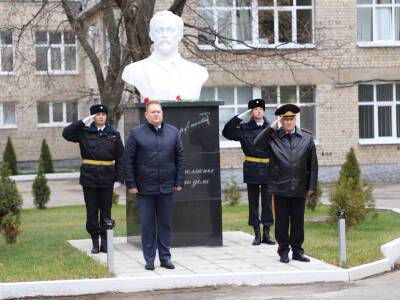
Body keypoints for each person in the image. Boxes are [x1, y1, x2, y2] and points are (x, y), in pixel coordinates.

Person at [124, 101, 184, 271]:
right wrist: (131, 184)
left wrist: (179, 181)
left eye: (159, 111)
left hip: (166, 187)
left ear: (162, 113)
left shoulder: (173, 132)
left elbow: (180, 157)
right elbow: (128, 161)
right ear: (146, 115)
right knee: (147, 224)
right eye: (153, 112)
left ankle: (165, 258)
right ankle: (149, 259)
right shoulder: (136, 134)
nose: (156, 114)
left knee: (165, 224)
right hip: (144, 188)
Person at [254, 103, 318, 264]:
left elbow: (313, 165)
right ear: (281, 121)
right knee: (282, 222)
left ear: (295, 120)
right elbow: (257, 145)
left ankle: (297, 251)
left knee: (298, 221)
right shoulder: (273, 138)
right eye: (285, 119)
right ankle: (283, 251)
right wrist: (270, 128)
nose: (289, 122)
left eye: (291, 119)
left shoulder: (307, 138)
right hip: (280, 187)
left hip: (299, 187)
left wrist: (311, 187)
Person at [62, 104, 124, 254]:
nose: (101, 116)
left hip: (107, 177)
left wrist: (119, 179)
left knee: (106, 212)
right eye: (97, 114)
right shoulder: (84, 132)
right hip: (89, 177)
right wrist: (83, 122)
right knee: (91, 211)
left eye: (103, 114)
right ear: (93, 117)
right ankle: (95, 242)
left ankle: (105, 243)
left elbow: (121, 157)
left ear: (106, 116)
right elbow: (66, 133)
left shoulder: (114, 134)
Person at [121, 10, 208, 101]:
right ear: (151, 35)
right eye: (159, 30)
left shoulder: (198, 72)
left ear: (180, 35)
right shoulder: (134, 71)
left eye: (171, 30)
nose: (165, 35)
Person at [222, 99, 275, 246]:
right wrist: (240, 116)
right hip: (252, 168)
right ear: (251, 112)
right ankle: (256, 233)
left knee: (267, 203)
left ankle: (266, 233)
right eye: (255, 109)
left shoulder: (271, 128)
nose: (259, 111)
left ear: (264, 111)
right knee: (253, 203)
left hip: (268, 169)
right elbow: (226, 132)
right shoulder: (244, 128)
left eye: (261, 109)